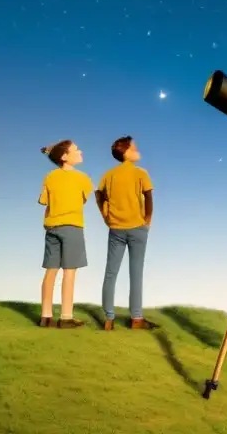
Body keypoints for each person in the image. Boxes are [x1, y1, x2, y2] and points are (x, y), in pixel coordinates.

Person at [95, 135, 156, 331]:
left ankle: (108, 318)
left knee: (110, 272)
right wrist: (148, 219)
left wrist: (106, 216)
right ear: (126, 152)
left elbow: (99, 194)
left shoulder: (108, 175)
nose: (138, 151)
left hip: (116, 229)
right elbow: (148, 196)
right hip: (137, 228)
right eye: (134, 148)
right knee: (136, 273)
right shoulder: (141, 173)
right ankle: (136, 319)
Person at [38, 140, 95, 328]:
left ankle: (46, 316)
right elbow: (84, 199)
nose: (80, 151)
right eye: (76, 149)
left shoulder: (49, 176)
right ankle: (66, 317)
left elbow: (43, 201)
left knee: (50, 271)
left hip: (52, 227)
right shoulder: (83, 178)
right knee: (69, 272)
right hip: (72, 227)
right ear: (64, 156)